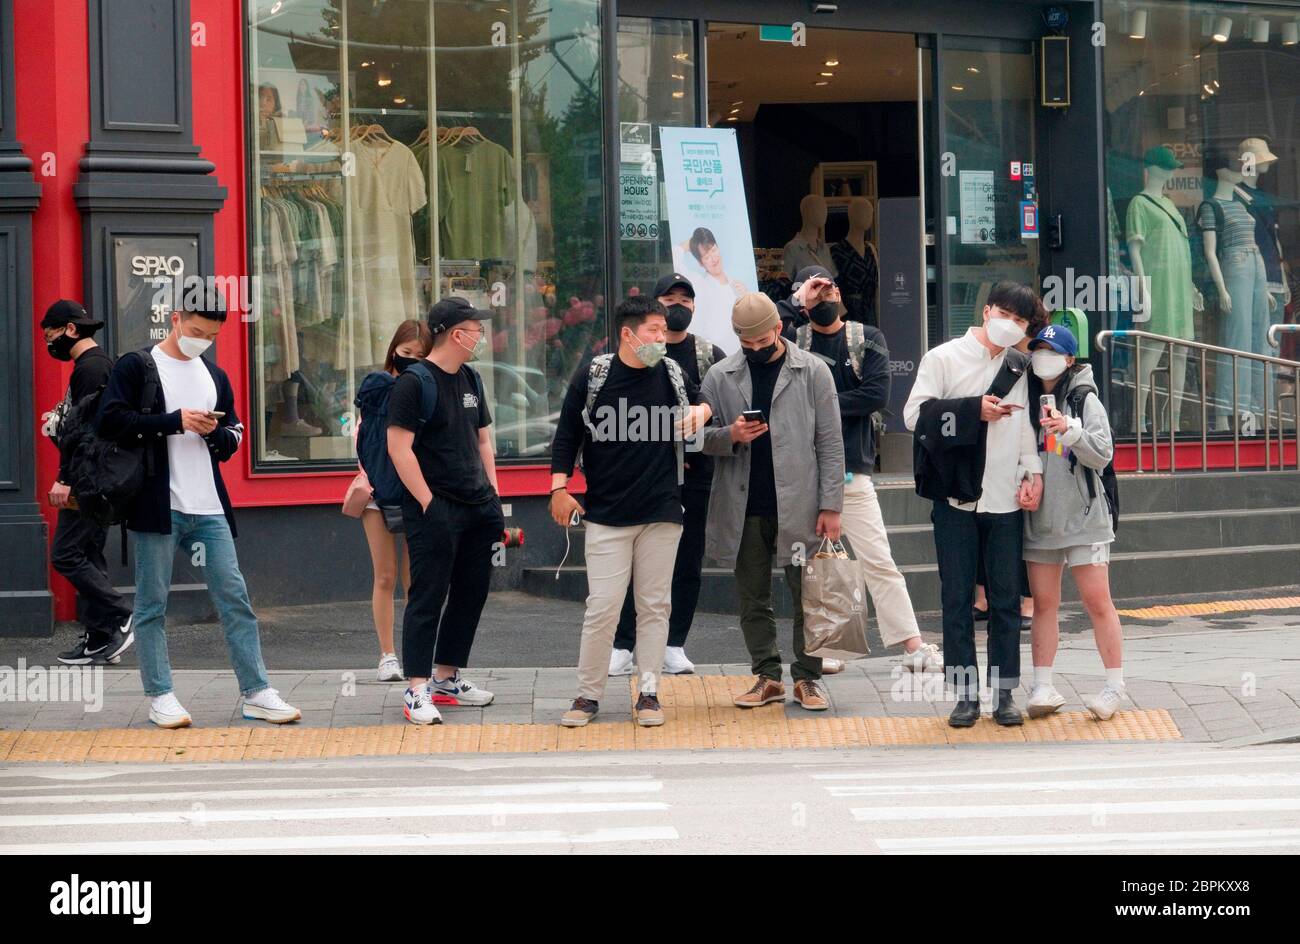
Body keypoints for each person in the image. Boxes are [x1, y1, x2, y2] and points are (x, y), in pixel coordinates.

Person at [98, 294, 300, 728]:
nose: (202, 342)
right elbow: (110, 421)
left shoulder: (213, 374)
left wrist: (214, 433)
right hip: (158, 505)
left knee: (235, 598)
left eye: (211, 336)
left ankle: (257, 691)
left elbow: (234, 434)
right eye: (195, 332)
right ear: (175, 319)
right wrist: (175, 421)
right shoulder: (138, 366)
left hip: (208, 506)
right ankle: (160, 695)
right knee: (152, 604)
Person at [550, 296, 712, 728]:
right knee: (602, 607)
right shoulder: (595, 376)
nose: (662, 337)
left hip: (662, 509)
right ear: (628, 334)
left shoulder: (673, 374)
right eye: (654, 331)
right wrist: (558, 488)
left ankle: (649, 691)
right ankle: (588, 694)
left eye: (664, 331)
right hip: (606, 513)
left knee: (655, 605)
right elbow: (567, 436)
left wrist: (700, 412)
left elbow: (704, 402)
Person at [904, 281, 1045, 728]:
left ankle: (1004, 695)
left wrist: (1034, 473)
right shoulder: (943, 357)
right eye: (1006, 315)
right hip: (955, 496)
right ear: (986, 312)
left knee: (1006, 600)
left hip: (1005, 497)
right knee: (957, 598)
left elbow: (1025, 429)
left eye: (1021, 322)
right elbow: (914, 415)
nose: (1011, 326)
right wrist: (970, 411)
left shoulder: (1020, 366)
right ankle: (965, 695)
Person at [789, 274, 943, 675]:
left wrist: (816, 404)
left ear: (841, 294)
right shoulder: (793, 340)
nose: (826, 295)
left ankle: (912, 645)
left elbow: (876, 394)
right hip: (802, 471)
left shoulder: (866, 337)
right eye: (815, 291)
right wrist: (799, 301)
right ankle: (827, 644)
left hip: (851, 473)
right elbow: (764, 331)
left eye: (830, 289)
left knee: (878, 560)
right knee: (814, 565)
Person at [698, 292, 845, 712]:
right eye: (748, 344)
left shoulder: (813, 371)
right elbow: (693, 438)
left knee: (810, 594)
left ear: (778, 329)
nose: (757, 350)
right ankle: (766, 676)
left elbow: (831, 444)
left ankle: (809, 677)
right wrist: (730, 436)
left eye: (763, 341)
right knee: (752, 596)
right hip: (743, 506)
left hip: (800, 504)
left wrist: (831, 506)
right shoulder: (720, 375)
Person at [387, 297, 503, 724]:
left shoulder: (471, 377)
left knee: (471, 593)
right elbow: (398, 448)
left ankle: (446, 677)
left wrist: (494, 496)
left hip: (478, 506)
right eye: (476, 328)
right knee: (428, 596)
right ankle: (416, 689)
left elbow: (483, 441)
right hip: (433, 507)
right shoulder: (415, 383)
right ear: (457, 334)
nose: (481, 336)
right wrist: (427, 502)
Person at [609, 273, 724, 678]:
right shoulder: (636, 353)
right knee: (634, 562)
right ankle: (623, 644)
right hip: (647, 476)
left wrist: (703, 418)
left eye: (685, 299)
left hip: (696, 475)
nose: (678, 306)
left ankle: (675, 643)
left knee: (687, 560)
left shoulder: (710, 353)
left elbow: (722, 403)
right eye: (669, 298)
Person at [1021, 325, 1126, 721]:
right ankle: (1042, 685)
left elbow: (1103, 454)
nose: (1041, 357)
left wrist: (1071, 429)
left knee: (1098, 602)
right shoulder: (1026, 395)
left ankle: (1114, 685)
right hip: (1042, 520)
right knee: (1044, 604)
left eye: (1050, 351)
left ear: (1069, 359)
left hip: (1085, 517)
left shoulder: (1085, 397)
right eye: (1037, 350)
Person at [41, 300, 135, 666]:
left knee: (65, 554)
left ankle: (121, 612)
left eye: (50, 334)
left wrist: (65, 479)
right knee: (90, 555)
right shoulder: (95, 365)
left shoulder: (91, 368)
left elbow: (84, 433)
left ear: (70, 330)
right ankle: (99, 638)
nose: (49, 343)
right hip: (94, 479)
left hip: (86, 480)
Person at [354, 319, 432, 682]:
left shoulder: (427, 391)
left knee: (416, 580)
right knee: (384, 575)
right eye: (405, 354)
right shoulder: (376, 389)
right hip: (375, 491)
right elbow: (364, 442)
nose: (411, 361)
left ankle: (417, 654)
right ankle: (387, 655)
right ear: (393, 352)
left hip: (415, 493)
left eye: (420, 356)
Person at [973, 314, 1048, 631]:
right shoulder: (997, 360)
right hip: (992, 455)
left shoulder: (1032, 363)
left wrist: (1032, 466)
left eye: (1020, 321)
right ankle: (982, 596)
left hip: (1031, 447)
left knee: (1020, 528)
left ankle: (1026, 599)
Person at [673, 227, 746, 354]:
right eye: (706, 257)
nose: (713, 258)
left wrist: (746, 297)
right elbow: (673, 260)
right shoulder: (700, 284)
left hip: (741, 355)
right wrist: (690, 243)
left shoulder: (737, 285)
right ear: (700, 263)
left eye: (713, 250)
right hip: (714, 357)